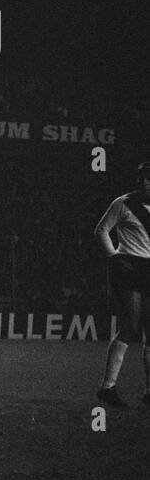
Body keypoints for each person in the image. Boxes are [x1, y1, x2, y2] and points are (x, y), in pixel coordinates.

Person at [93, 161, 150, 407]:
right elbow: (102, 230)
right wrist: (114, 256)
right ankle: (108, 387)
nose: (145, 182)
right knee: (130, 326)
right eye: (142, 178)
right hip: (131, 268)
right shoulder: (124, 203)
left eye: (149, 178)